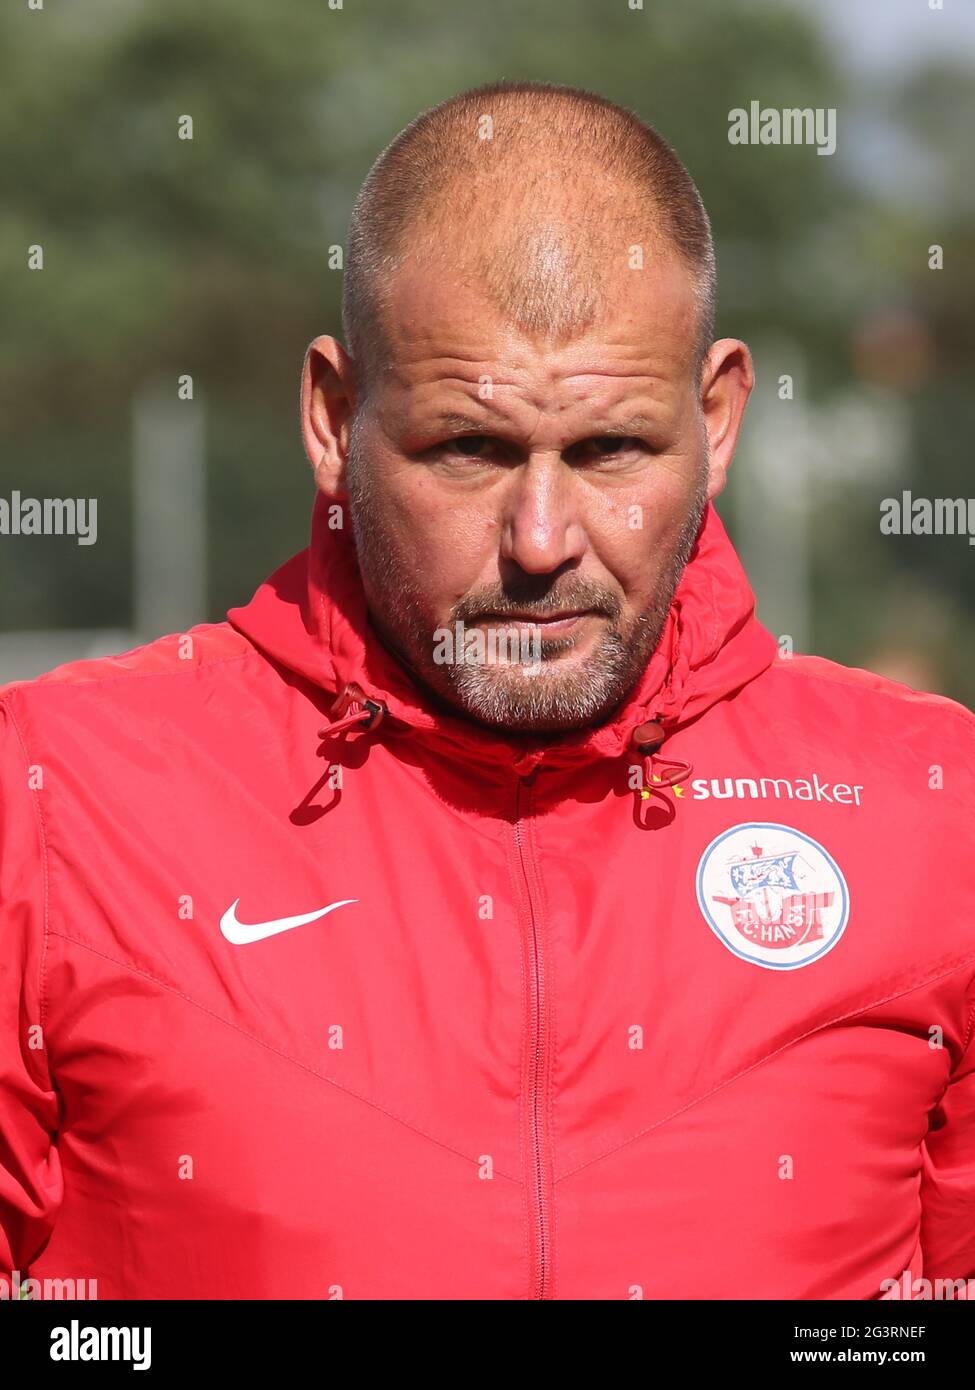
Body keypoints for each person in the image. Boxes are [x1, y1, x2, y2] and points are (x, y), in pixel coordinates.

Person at [1, 80, 973, 1302]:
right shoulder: (53, 799)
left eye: (613, 448)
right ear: (334, 416)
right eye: (469, 449)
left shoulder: (938, 811)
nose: (541, 538)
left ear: (717, 420)